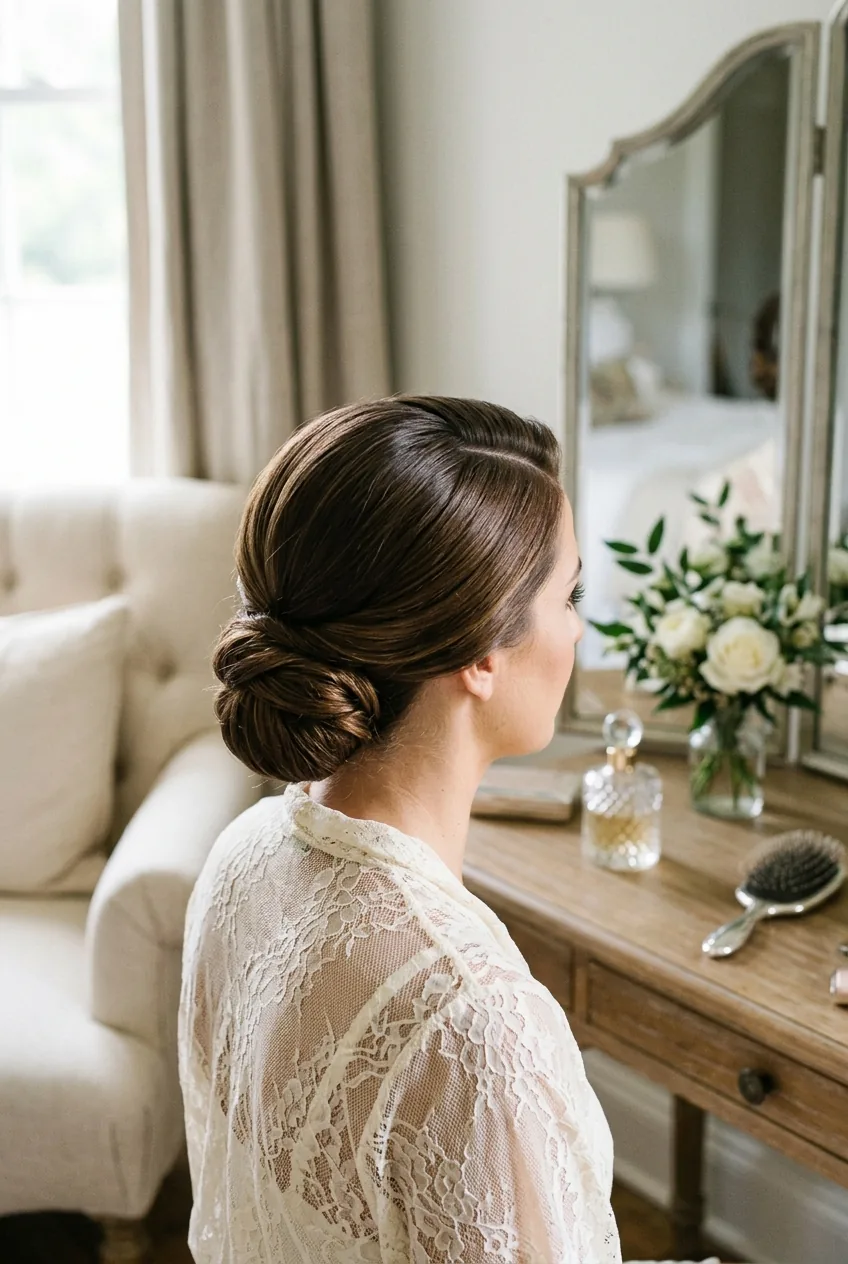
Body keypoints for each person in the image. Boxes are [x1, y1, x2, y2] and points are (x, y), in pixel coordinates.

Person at [178, 395, 621, 1263]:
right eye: (569, 594)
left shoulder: (243, 856)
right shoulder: (475, 1022)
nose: (577, 629)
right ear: (483, 655)